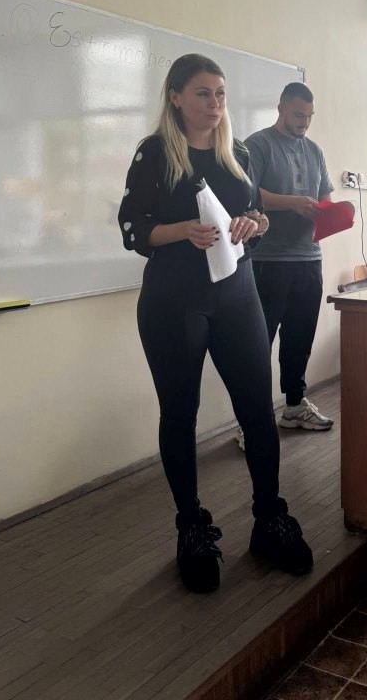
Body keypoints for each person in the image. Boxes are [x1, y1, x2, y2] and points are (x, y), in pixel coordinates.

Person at [117, 54, 313, 593]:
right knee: (180, 414)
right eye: (203, 93)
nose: (215, 103)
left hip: (237, 295)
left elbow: (255, 213)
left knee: (258, 411)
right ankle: (192, 529)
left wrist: (256, 222)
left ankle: (269, 519)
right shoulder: (156, 152)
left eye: (220, 93)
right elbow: (132, 228)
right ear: (176, 97)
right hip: (174, 301)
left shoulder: (238, 153)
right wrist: (182, 229)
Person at [244, 83, 334, 435]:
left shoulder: (314, 150)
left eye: (309, 116)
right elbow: (247, 193)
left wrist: (328, 211)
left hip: (309, 258)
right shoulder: (258, 145)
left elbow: (325, 195)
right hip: (268, 259)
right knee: (258, 342)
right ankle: (250, 421)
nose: (304, 123)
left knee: (300, 339)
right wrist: (293, 202)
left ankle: (294, 406)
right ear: (280, 108)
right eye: (298, 115)